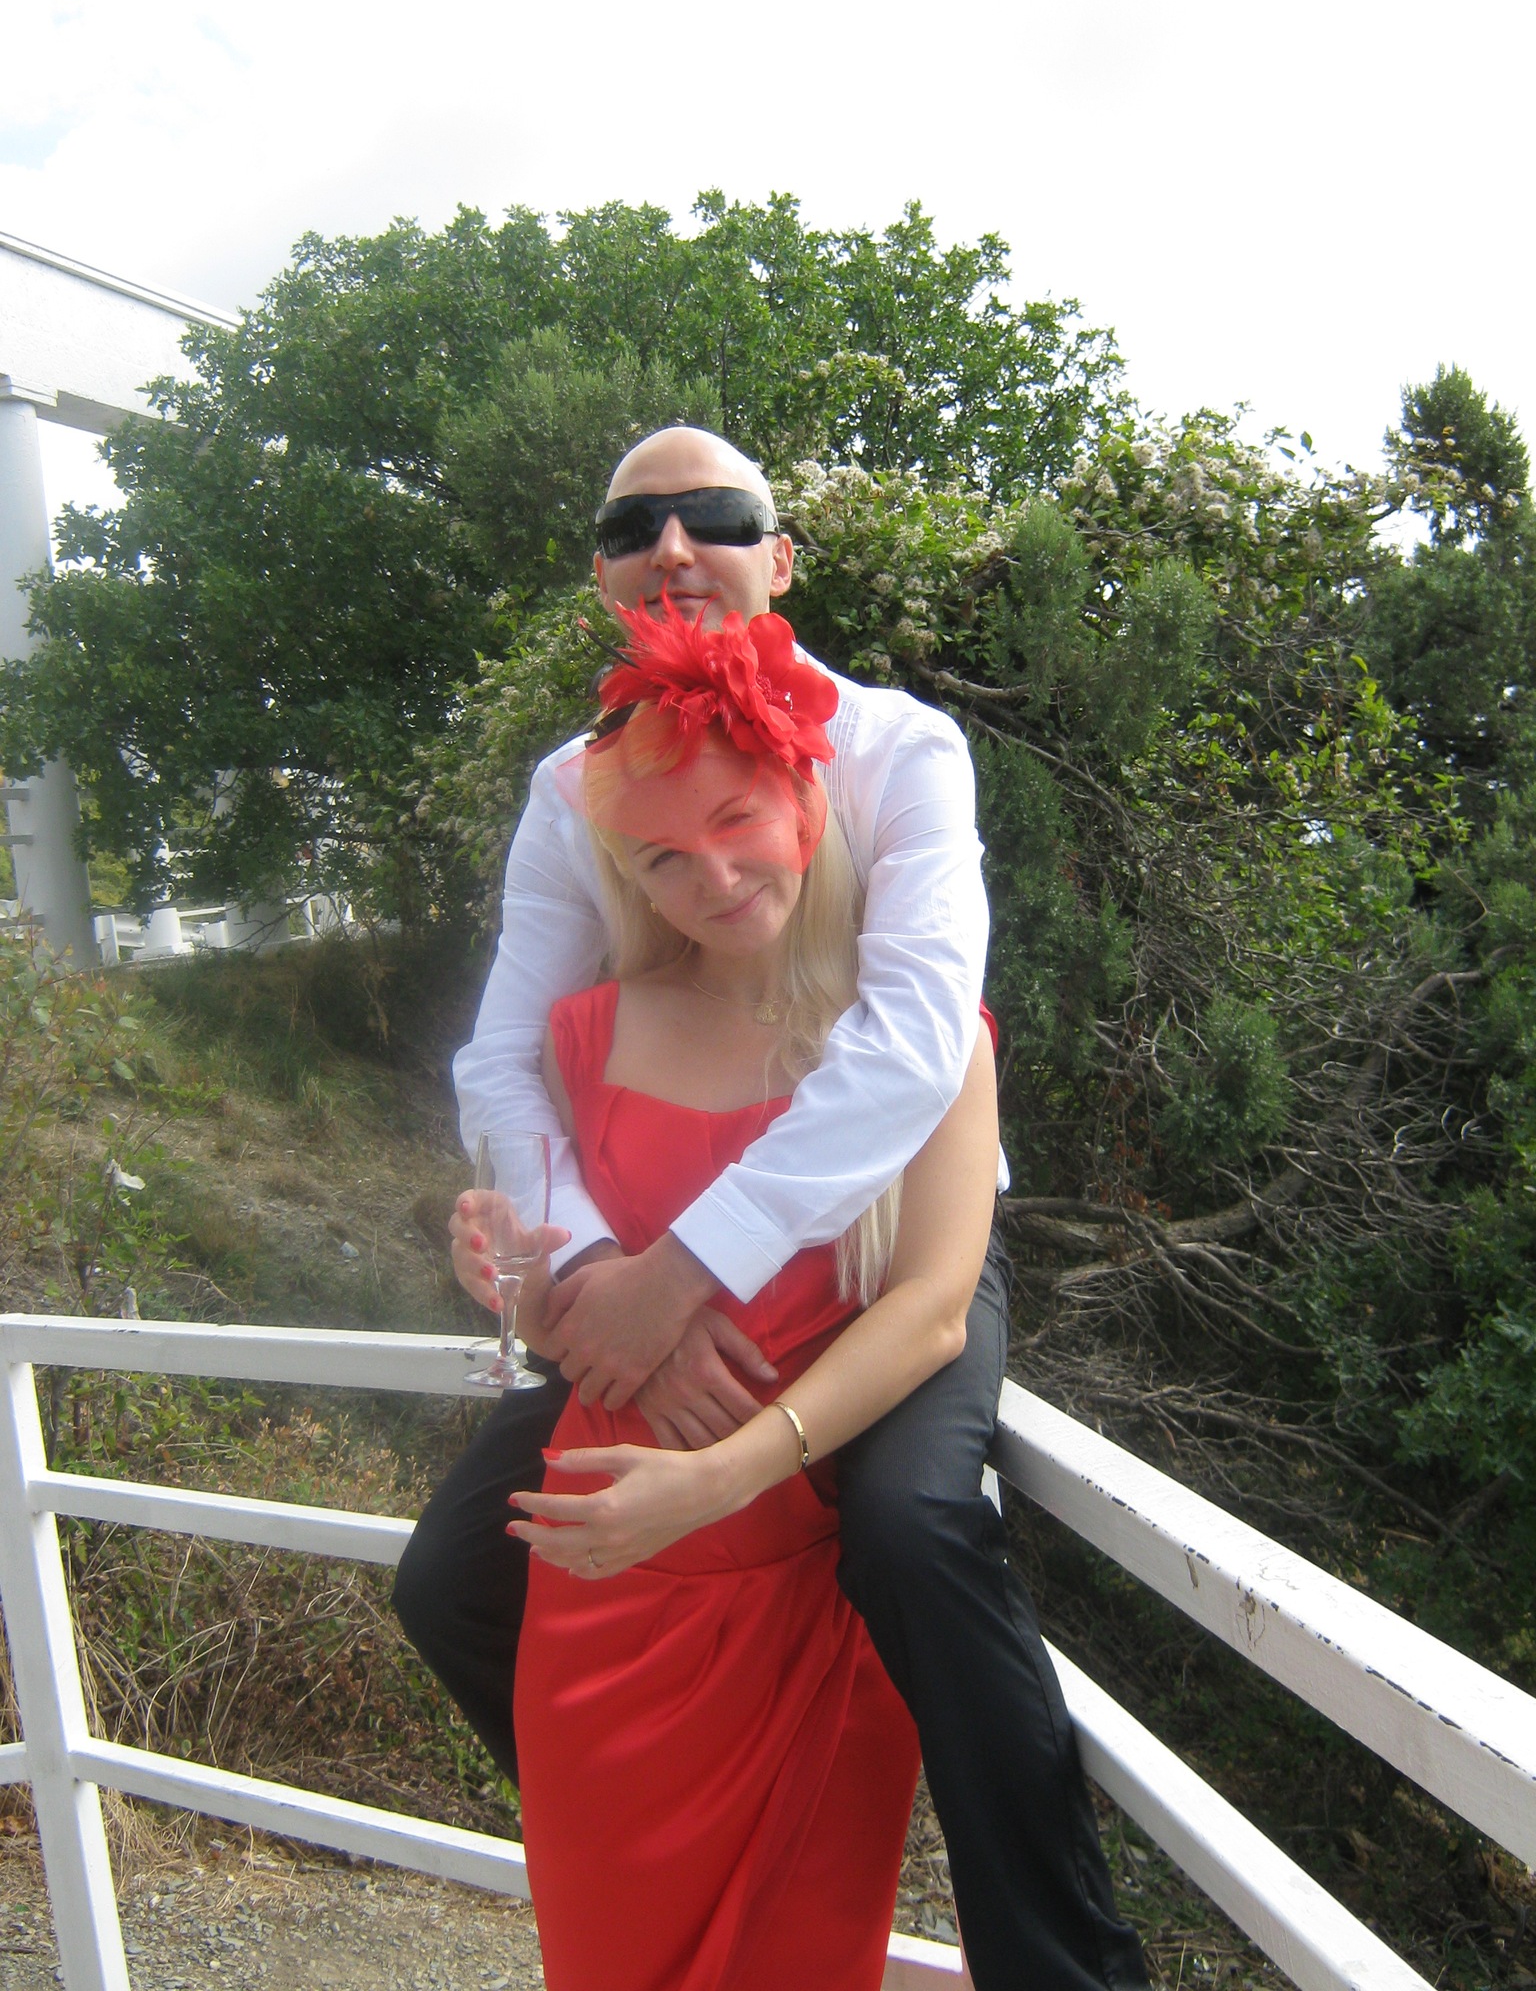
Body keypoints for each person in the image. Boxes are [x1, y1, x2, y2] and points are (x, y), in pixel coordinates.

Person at [393, 426, 1149, 1991]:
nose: (673, 547)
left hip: (892, 1237)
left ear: (780, 556)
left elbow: (919, 1037)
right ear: (603, 579)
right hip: (646, 1252)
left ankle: (1060, 1970)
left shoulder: (900, 748)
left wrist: (686, 1275)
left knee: (911, 1528)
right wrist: (587, 1275)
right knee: (456, 1578)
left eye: (715, 516)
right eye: (634, 527)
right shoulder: (578, 788)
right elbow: (509, 1056)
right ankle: (665, 1849)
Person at [506, 597, 998, 1988]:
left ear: (805, 799)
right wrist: (504, 1267)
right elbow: (547, 1295)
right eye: (662, 857)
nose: (712, 877)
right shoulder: (585, 1033)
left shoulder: (922, 1049)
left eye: (736, 821)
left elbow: (932, 1312)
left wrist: (716, 1479)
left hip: (798, 1598)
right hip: (603, 1595)